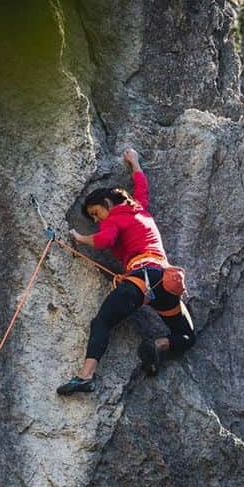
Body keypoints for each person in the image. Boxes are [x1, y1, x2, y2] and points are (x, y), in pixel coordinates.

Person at [57, 147, 195, 395]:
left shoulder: (114, 218)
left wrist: (79, 237)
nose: (97, 220)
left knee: (102, 322)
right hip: (166, 282)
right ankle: (157, 345)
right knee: (186, 336)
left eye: (96, 213)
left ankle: (85, 376)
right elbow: (142, 186)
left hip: (141, 279)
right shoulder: (139, 207)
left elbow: (104, 240)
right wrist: (134, 162)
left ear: (107, 203)